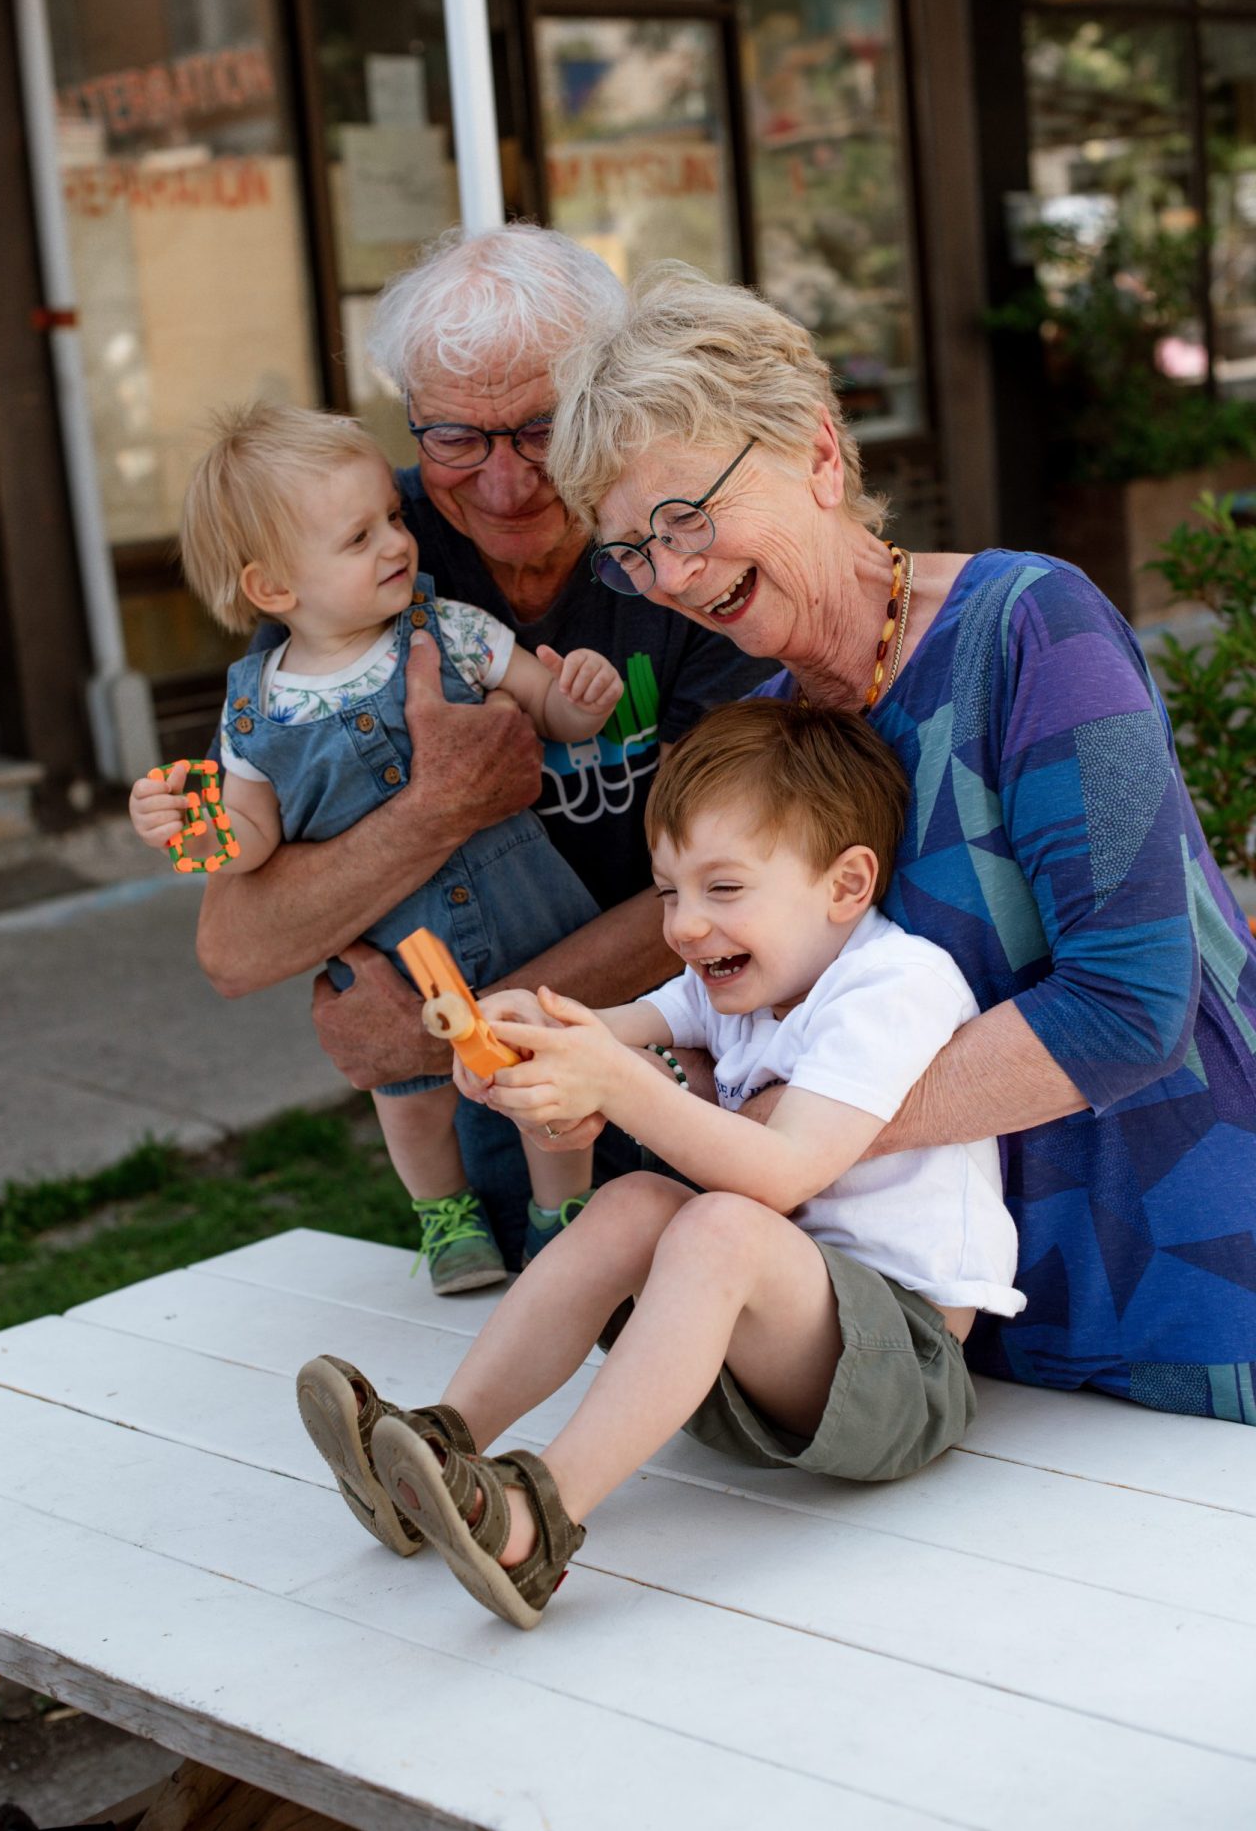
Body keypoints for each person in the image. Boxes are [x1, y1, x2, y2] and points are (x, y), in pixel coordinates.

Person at [534, 263, 1256, 1423]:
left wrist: (779, 1133)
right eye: (629, 552)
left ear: (820, 456)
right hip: (963, 1331)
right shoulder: (765, 738)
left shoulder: (1029, 625)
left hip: (1192, 1285)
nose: (668, 576)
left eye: (686, 518)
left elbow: (1130, 1002)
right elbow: (759, 1017)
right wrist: (615, 1071)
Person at [295, 698, 1024, 1628]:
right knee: (640, 1197)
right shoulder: (736, 974)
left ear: (845, 886)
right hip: (750, 1359)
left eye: (723, 889)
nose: (684, 925)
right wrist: (517, 1038)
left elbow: (784, 1171)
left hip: (900, 1370)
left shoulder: (893, 985)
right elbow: (602, 1030)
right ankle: (439, 1451)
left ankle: (537, 1522)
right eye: (669, 890)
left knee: (719, 1220)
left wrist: (625, 1087)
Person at [194, 228, 775, 1265]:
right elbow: (237, 948)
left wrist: (446, 1027)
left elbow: (744, 878)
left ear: (607, 395)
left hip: (706, 1087)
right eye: (456, 437)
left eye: (544, 429)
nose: (502, 485)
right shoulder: (355, 559)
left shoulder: (683, 541)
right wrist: (440, 807)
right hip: (498, 1126)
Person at [130, 403, 626, 1291]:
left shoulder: (451, 629)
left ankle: (564, 1214)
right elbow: (250, 839)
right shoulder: (255, 706)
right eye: (359, 536)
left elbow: (547, 708)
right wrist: (189, 830)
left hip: (527, 912)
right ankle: (447, 1216)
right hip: (397, 950)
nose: (397, 542)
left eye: (392, 519)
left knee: (549, 1075)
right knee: (409, 1097)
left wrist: (581, 698)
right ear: (274, 590)